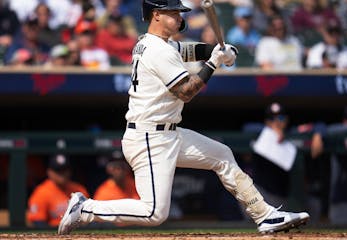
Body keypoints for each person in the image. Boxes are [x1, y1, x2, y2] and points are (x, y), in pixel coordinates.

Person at [58, 0, 309, 235]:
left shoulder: (154, 43)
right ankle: (87, 208)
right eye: (174, 12)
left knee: (221, 155)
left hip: (167, 133)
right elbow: (186, 91)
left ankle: (264, 215)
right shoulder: (158, 51)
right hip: (149, 138)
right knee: (154, 213)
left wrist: (216, 49)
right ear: (156, 14)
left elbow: (186, 49)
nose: (179, 17)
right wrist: (213, 63)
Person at [27, 154, 89, 228]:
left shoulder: (79, 190)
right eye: (58, 171)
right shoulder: (41, 192)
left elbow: (89, 217)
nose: (62, 174)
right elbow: (38, 222)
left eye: (64, 170)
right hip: (54, 232)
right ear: (49, 172)